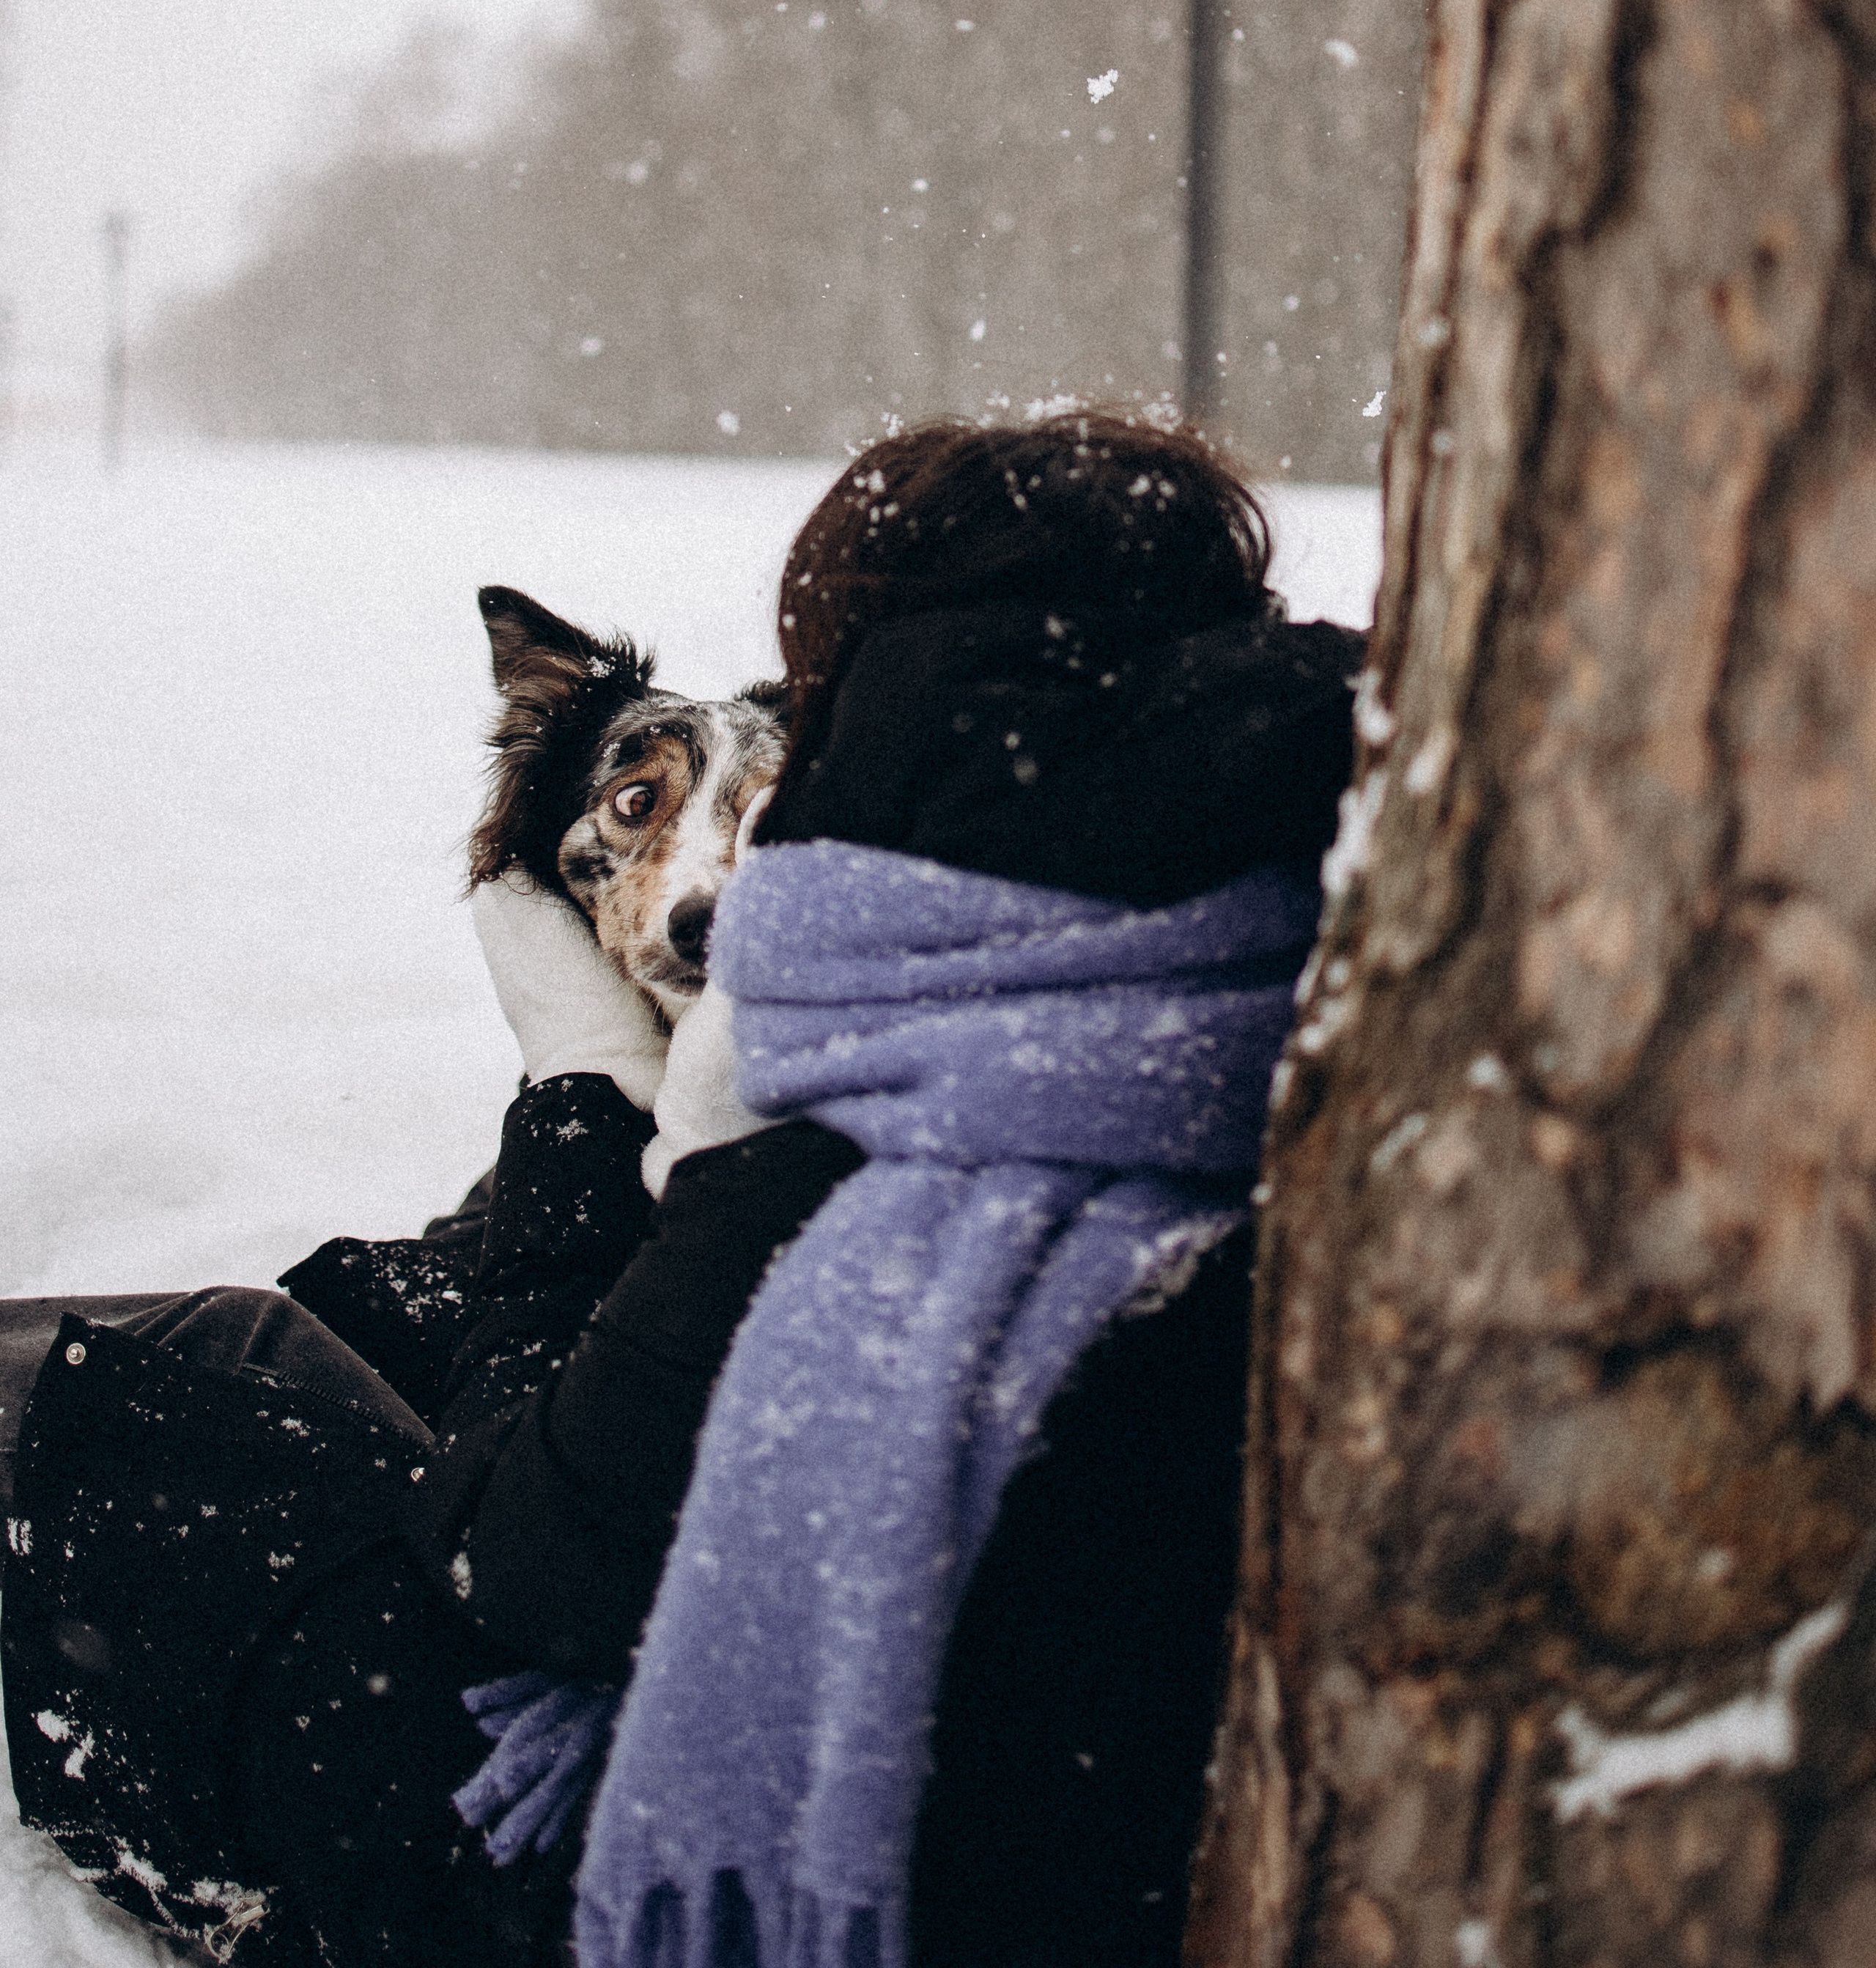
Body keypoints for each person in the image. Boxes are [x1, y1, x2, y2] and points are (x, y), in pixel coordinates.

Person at [1, 409, 1362, 1968]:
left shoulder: (876, 1073)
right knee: (267, 1333)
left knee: (135, 1436)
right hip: (1005, 1807)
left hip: (652, 1877)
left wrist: (586, 1088)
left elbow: (522, 1568)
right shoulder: (1251, 979)